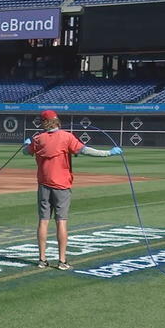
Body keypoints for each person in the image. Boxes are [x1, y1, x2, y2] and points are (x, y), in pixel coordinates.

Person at [24, 110, 122, 270]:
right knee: (61, 221)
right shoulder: (66, 136)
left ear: (43, 123)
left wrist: (27, 144)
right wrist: (108, 153)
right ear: (57, 121)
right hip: (62, 185)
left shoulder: (37, 139)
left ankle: (42, 259)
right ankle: (62, 261)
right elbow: (85, 150)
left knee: (43, 221)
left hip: (43, 185)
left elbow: (25, 151)